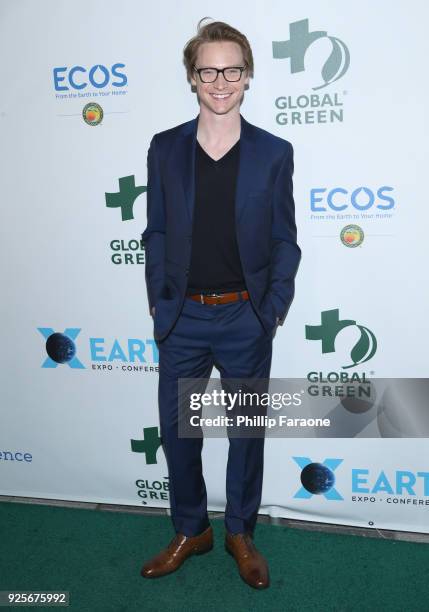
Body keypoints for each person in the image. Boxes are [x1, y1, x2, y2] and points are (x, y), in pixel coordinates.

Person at [140, 18, 301, 589]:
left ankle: (239, 532)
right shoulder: (165, 148)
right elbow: (155, 231)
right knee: (179, 432)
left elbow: (285, 238)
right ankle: (192, 528)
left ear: (248, 74)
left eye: (231, 69)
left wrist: (271, 308)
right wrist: (161, 299)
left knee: (245, 433)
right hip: (181, 317)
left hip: (244, 317)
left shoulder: (273, 153)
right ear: (192, 77)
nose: (220, 81)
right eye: (207, 70)